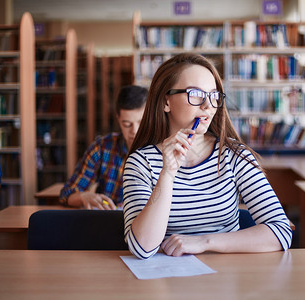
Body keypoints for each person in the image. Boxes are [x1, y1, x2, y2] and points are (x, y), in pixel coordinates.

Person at [123, 53, 292, 259]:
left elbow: (281, 231)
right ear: (165, 101)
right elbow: (142, 248)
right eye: (195, 94)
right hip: (166, 281)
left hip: (227, 279)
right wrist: (166, 174)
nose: (208, 105)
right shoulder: (141, 162)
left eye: (213, 96)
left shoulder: (234, 155)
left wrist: (204, 241)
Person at [59, 85, 148, 210]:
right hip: (109, 224)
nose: (135, 131)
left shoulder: (163, 150)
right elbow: (67, 194)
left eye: (141, 122)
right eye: (127, 124)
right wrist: (84, 196)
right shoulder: (102, 148)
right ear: (118, 120)